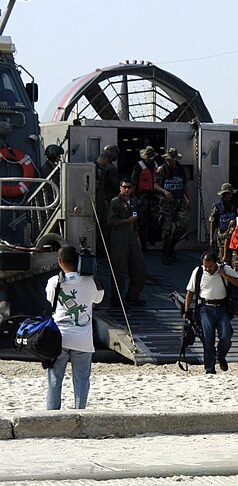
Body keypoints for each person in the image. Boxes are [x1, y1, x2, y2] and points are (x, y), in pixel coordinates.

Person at [45, 245, 104, 410]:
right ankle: (80, 412)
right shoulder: (90, 281)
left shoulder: (54, 282)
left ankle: (52, 414)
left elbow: (51, 301)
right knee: (82, 380)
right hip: (83, 339)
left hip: (60, 337)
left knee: (55, 379)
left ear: (59, 261)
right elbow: (98, 299)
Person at [184, 251, 238, 374]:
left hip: (222, 308)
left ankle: (220, 356)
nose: (208, 269)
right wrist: (186, 311)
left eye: (210, 266)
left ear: (215, 263)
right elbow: (190, 292)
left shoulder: (225, 269)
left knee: (226, 336)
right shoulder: (199, 271)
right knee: (208, 339)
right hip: (205, 309)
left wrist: (225, 276)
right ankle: (209, 369)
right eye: (205, 266)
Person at [107, 178, 147, 307]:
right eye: (124, 187)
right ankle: (117, 299)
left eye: (129, 187)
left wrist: (137, 237)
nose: (126, 189)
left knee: (140, 267)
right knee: (118, 270)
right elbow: (111, 222)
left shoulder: (133, 202)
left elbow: (135, 223)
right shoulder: (115, 202)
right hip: (119, 238)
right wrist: (128, 220)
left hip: (132, 238)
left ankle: (133, 295)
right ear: (120, 188)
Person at [154, 148, 190, 265]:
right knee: (166, 230)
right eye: (168, 159)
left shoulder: (180, 170)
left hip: (179, 201)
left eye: (171, 160)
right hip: (166, 204)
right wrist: (164, 191)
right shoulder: (162, 170)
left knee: (183, 225)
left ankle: (171, 246)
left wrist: (187, 198)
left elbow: (184, 185)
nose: (169, 162)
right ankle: (165, 254)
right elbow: (154, 185)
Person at [130, 146, 160, 251]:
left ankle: (153, 238)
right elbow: (133, 182)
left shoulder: (156, 165)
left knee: (155, 217)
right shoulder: (138, 167)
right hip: (141, 195)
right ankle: (143, 244)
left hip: (154, 195)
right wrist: (132, 196)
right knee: (142, 220)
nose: (149, 159)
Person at [208, 183, 238, 257]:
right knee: (223, 257)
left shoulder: (236, 204)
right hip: (222, 234)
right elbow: (212, 221)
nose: (229, 196)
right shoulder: (217, 206)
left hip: (234, 234)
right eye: (227, 194)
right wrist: (211, 238)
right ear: (223, 194)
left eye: (230, 193)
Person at [94, 149, 118, 245]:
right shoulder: (94, 169)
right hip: (98, 202)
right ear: (105, 159)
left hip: (102, 201)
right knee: (98, 226)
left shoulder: (101, 169)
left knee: (103, 225)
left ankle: (100, 249)